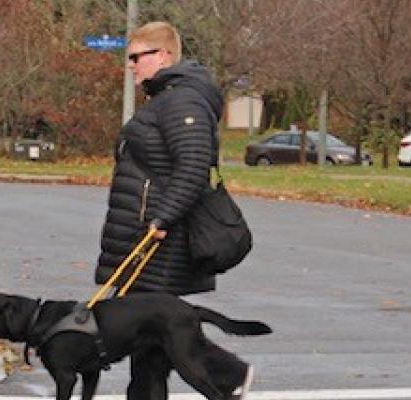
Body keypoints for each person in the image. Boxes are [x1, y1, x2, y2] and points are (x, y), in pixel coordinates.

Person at [95, 21, 253, 399]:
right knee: (149, 336)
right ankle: (227, 376)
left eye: (137, 57)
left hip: (162, 240)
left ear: (163, 56)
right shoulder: (168, 97)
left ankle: (227, 374)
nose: (131, 65)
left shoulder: (183, 100)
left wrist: (162, 218)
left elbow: (194, 164)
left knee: (149, 326)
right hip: (148, 233)